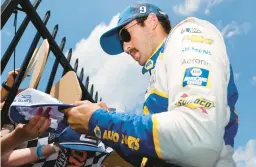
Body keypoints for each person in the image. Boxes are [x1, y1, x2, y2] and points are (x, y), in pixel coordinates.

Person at [63, 3, 238, 167]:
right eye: (121, 42)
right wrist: (105, 121)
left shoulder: (187, 34)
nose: (125, 47)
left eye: (125, 35)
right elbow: (148, 153)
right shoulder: (159, 74)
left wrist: (99, 121)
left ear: (152, 21)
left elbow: (197, 141)